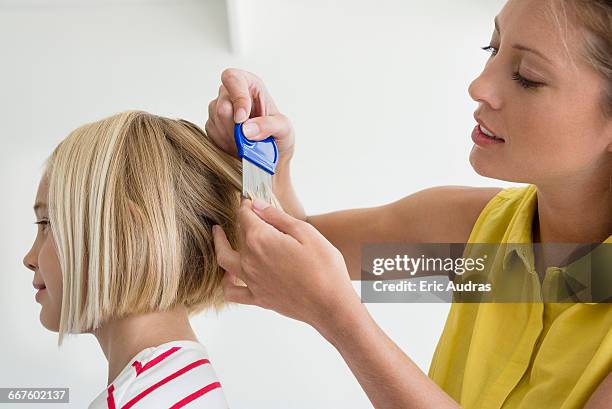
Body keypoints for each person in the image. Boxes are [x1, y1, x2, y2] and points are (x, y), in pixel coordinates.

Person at [206, 0, 612, 407]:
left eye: (527, 77)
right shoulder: (477, 234)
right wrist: (268, 165)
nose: (479, 86)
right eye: (493, 49)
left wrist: (342, 322)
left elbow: (316, 279)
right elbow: (297, 247)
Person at [23, 111, 239, 408]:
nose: (29, 258)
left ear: (125, 233)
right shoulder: (188, 381)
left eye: (47, 224)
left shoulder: (135, 400)